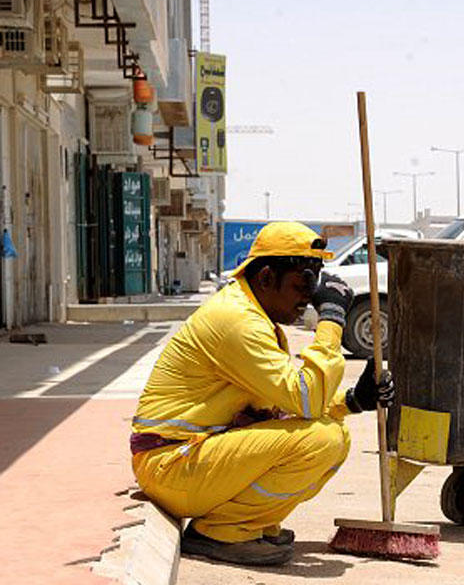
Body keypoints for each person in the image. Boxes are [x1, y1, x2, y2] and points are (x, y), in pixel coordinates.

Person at [130, 221, 394, 566]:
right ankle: (224, 532)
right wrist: (331, 320)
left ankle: (239, 523)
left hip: (186, 463)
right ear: (267, 277)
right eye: (303, 284)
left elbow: (283, 409)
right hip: (172, 467)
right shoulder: (236, 321)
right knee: (323, 441)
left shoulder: (253, 316)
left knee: (332, 435)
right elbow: (306, 400)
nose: (309, 298)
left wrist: (352, 402)